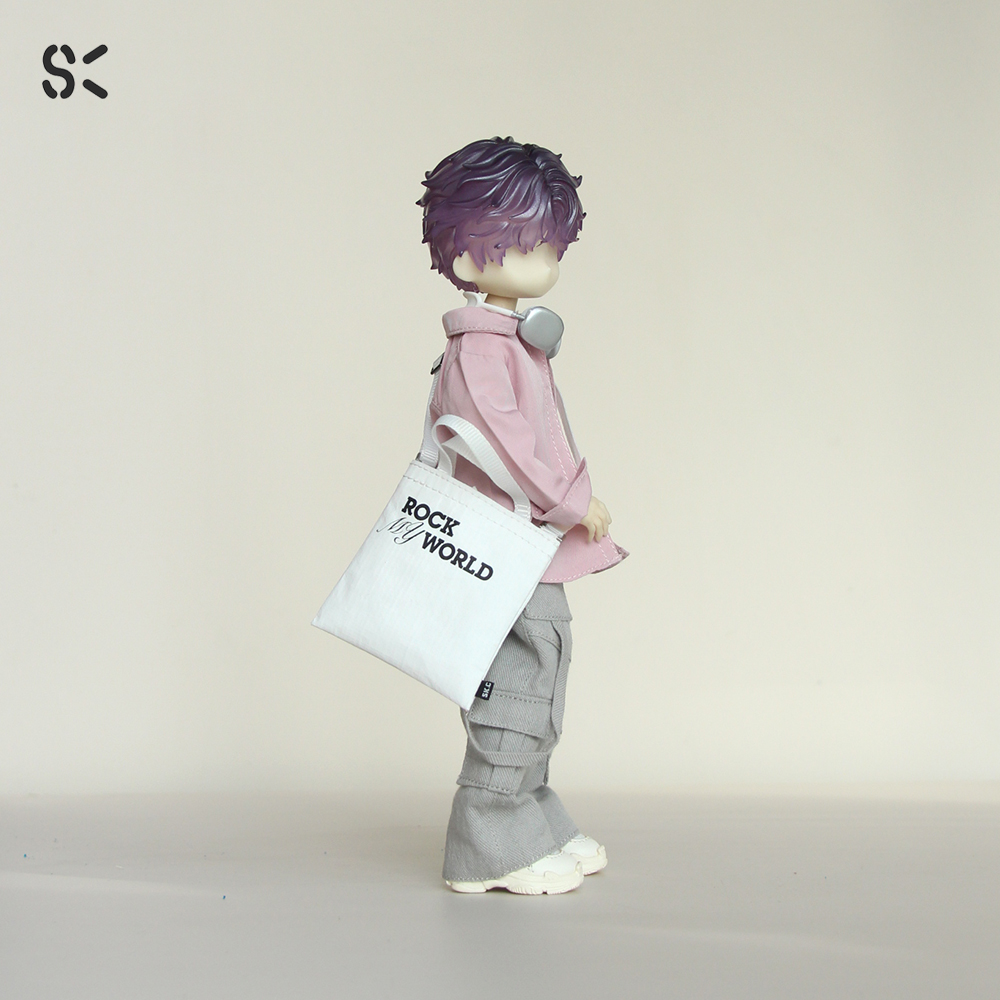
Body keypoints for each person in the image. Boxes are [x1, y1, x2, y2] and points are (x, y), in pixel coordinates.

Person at [418, 137, 627, 894]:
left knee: (542, 673)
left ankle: (530, 818)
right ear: (466, 254)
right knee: (517, 684)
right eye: (523, 243)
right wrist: (570, 501)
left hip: (526, 543)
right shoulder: (480, 350)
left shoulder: (507, 343)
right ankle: (489, 841)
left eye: (549, 245)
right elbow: (501, 443)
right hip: (504, 543)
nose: (544, 261)